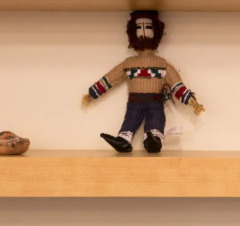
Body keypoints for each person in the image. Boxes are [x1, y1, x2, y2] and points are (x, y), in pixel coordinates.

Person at [82, 11, 204, 153]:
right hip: (135, 103)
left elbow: (177, 85)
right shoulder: (131, 64)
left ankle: (153, 139)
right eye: (139, 27)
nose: (144, 31)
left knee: (154, 121)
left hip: (154, 102)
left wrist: (190, 100)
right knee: (130, 121)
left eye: (148, 27)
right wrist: (93, 93)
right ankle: (125, 140)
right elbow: (111, 78)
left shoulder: (162, 64)